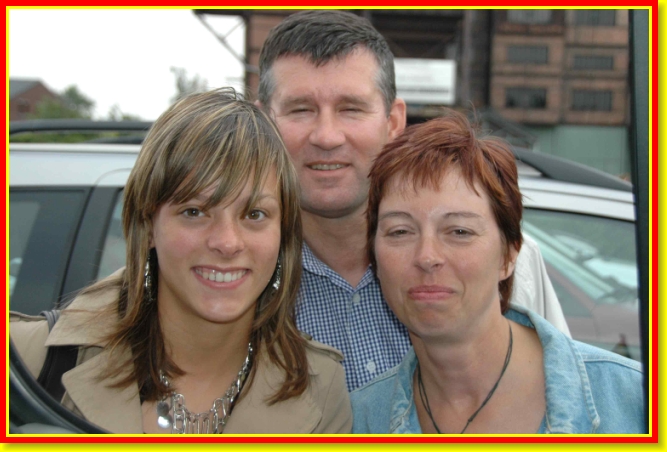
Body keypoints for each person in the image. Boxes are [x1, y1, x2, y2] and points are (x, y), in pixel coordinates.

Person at [257, 9, 569, 391]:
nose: (327, 136)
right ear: (263, 123)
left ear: (393, 122)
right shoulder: (239, 270)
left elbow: (564, 394)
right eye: (301, 110)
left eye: (351, 109)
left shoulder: (500, 261)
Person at [10, 88, 352, 434]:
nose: (227, 242)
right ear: (148, 225)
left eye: (254, 214)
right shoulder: (24, 361)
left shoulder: (321, 391)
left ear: (283, 233)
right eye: (194, 212)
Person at [351, 112, 645, 434]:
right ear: (373, 257)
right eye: (400, 231)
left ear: (509, 254)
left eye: (460, 231)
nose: (427, 257)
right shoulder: (358, 422)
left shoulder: (635, 403)